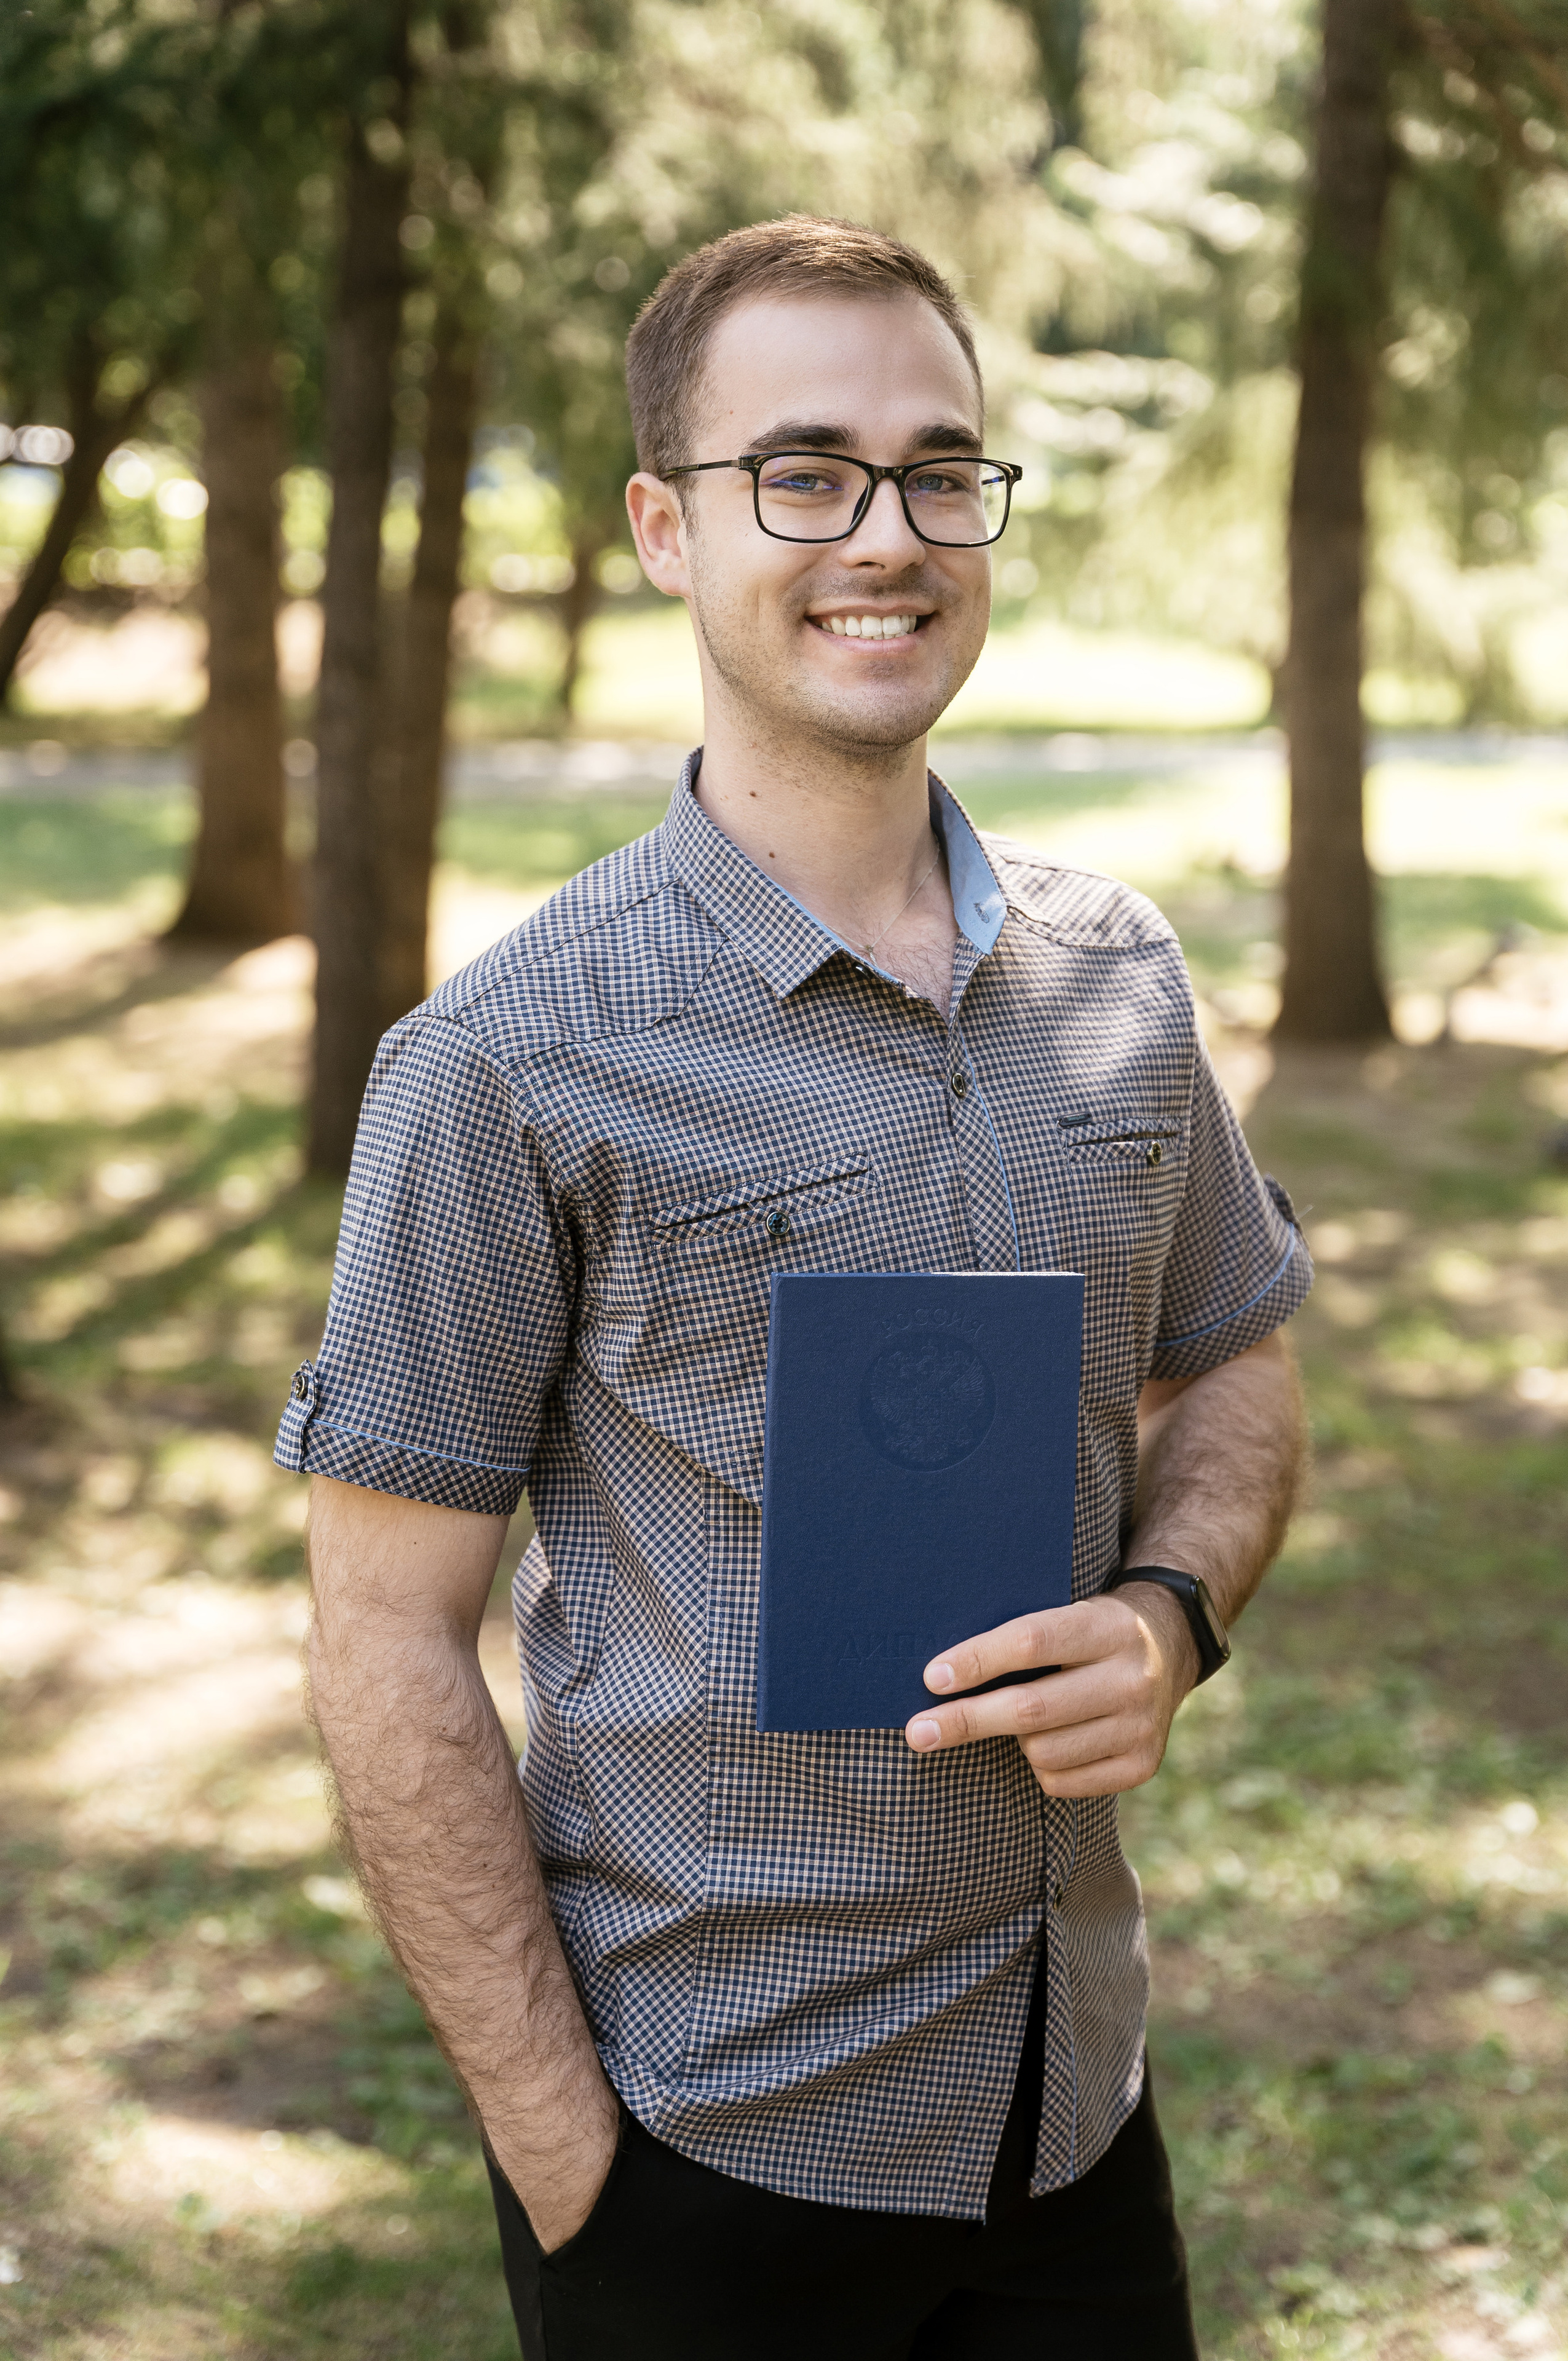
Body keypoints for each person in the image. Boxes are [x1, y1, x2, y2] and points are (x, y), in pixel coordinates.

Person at [280, 213, 1310, 2360]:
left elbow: (1237, 1361)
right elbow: (385, 1629)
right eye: (807, 472)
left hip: (1071, 2119)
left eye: (945, 473)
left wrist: (1173, 1612)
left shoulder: (1120, 974)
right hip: (705, 2164)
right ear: (667, 527)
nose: (890, 534)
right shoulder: (507, 1060)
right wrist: (572, 2165)